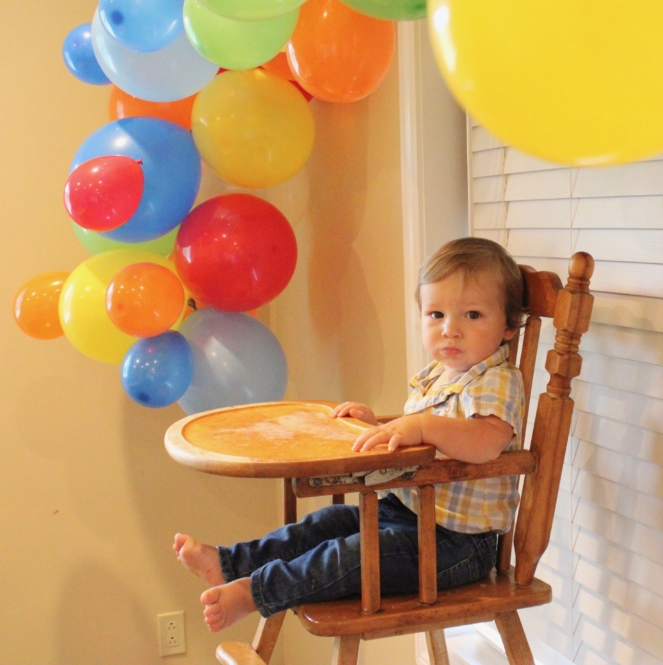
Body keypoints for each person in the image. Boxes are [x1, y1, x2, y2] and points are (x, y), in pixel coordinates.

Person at [173, 237, 527, 632]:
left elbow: (486, 441)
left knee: (348, 555)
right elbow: (419, 439)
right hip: (406, 511)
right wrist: (376, 426)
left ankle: (256, 593)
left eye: (473, 315)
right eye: (436, 314)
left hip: (455, 545)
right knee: (325, 523)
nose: (450, 330)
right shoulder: (436, 377)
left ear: (510, 326)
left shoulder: (496, 380)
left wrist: (422, 427)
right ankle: (230, 563)